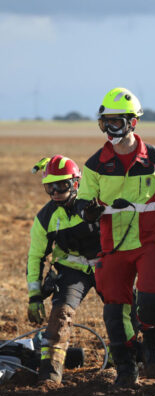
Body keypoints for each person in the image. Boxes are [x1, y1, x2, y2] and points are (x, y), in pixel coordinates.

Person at [75, 87, 155, 387]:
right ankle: (126, 368)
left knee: (150, 297)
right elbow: (83, 203)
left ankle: (154, 350)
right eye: (105, 123)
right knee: (114, 312)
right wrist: (87, 213)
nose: (109, 129)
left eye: (115, 122)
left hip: (149, 244)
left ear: (132, 123)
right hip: (113, 249)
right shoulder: (94, 165)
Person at [26, 156, 101, 383]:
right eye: (50, 186)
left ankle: (134, 363)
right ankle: (49, 376)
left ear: (76, 183)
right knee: (59, 319)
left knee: (123, 315)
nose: (56, 191)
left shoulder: (94, 205)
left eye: (62, 185)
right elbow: (36, 256)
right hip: (70, 273)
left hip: (105, 267)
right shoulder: (45, 217)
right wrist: (35, 296)